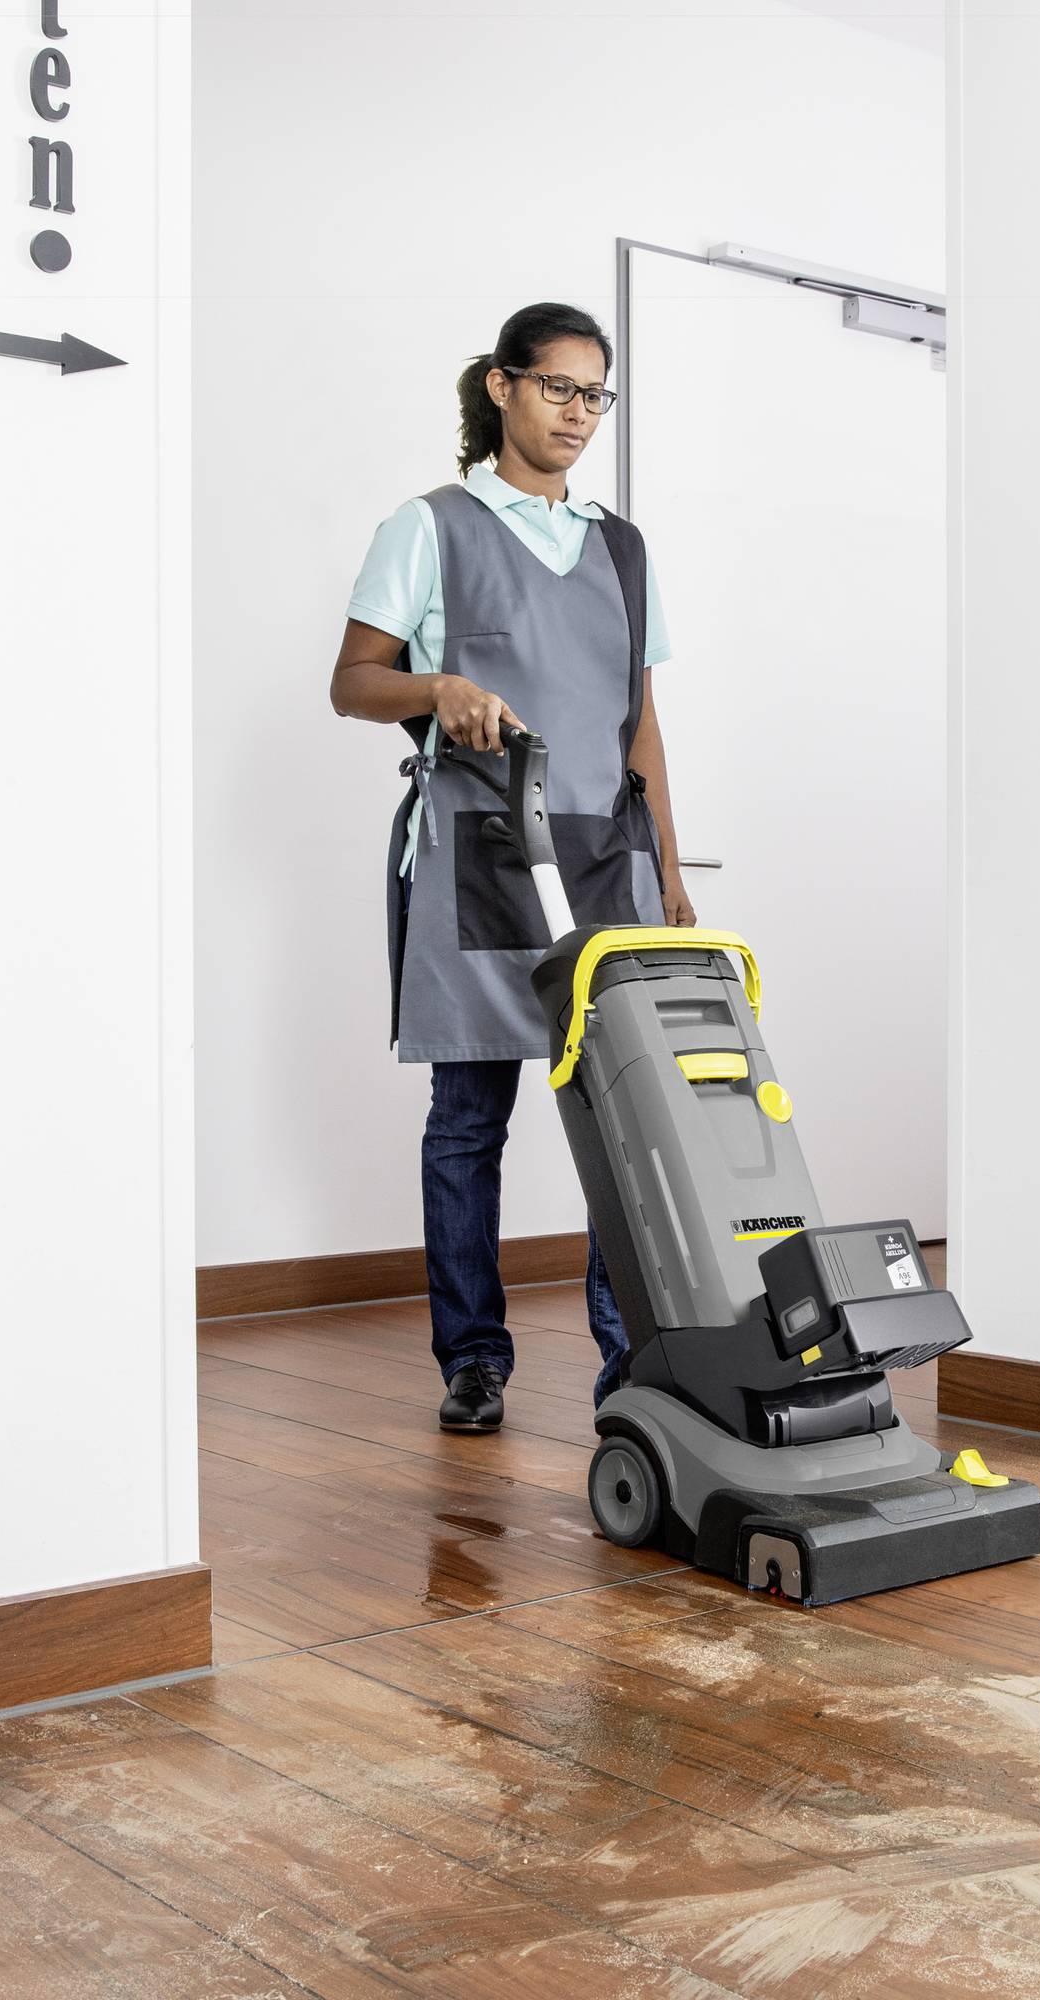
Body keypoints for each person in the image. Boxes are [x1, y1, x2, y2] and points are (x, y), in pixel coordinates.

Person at [329, 303, 694, 1434]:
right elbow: (351, 681)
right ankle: (473, 1355)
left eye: (596, 395)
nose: (578, 414)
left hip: (602, 857)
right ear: (501, 386)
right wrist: (435, 689)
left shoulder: (621, 544)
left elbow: (640, 724)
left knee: (623, 1123)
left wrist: (670, 877)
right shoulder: (430, 526)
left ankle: (627, 1360)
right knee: (469, 1115)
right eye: (557, 388)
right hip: (479, 853)